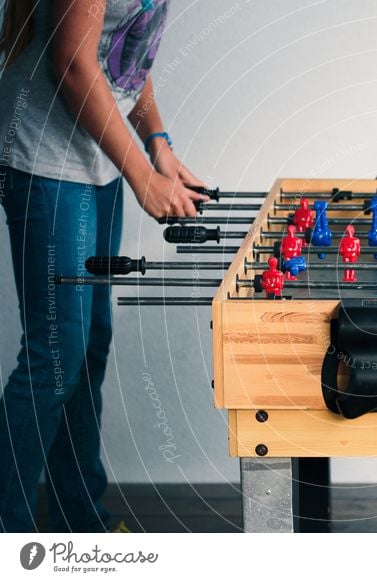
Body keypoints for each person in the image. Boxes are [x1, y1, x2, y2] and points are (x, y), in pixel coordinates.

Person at [0, 0, 207, 532]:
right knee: (56, 355)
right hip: (45, 158)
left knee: (87, 346)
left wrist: (156, 144)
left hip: (97, 162)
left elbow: (130, 57)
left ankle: (81, 524)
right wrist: (142, 176)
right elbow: (72, 63)